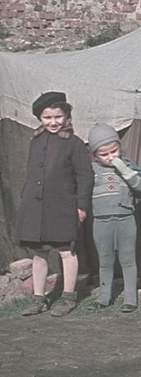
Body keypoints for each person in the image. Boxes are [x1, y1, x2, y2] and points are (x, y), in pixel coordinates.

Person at [16, 91, 93, 317]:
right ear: (40, 118)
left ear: (67, 116)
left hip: (62, 207)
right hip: (35, 208)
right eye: (47, 118)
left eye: (58, 117)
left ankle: (68, 298)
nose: (53, 122)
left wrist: (81, 206)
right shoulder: (36, 141)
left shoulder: (75, 144)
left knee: (66, 251)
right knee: (39, 253)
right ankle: (39, 299)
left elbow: (85, 177)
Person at [86, 123, 141, 313]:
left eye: (114, 151)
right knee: (105, 260)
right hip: (101, 221)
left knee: (128, 259)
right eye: (104, 154)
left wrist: (125, 171)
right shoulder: (92, 170)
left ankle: (130, 298)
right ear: (95, 155)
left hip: (125, 219)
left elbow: (140, 185)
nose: (111, 157)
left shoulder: (127, 166)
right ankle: (104, 297)